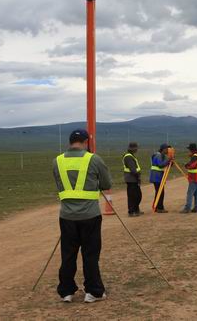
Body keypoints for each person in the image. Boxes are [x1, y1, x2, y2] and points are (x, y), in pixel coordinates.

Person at [52, 129, 112, 303]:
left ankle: (66, 292)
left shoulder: (57, 161)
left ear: (70, 142)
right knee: (90, 254)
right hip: (90, 215)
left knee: (68, 254)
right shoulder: (94, 159)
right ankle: (93, 291)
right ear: (86, 142)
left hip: (67, 216)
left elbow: (60, 184)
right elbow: (106, 183)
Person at [180, 143, 197, 213]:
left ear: (191, 150)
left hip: (194, 177)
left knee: (190, 193)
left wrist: (186, 165)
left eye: (189, 150)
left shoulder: (195, 156)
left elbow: (192, 165)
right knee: (196, 193)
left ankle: (187, 208)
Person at [123, 142, 143, 217]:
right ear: (133, 148)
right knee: (132, 196)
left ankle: (136, 209)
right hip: (131, 179)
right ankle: (131, 212)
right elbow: (133, 170)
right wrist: (138, 177)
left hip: (134, 179)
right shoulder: (128, 157)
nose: (137, 149)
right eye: (136, 148)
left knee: (138, 195)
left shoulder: (131, 156)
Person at [150, 143, 171, 213]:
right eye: (167, 149)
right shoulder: (158, 155)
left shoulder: (162, 155)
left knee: (159, 192)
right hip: (156, 177)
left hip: (158, 177)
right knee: (160, 192)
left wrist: (169, 161)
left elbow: (166, 164)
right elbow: (160, 165)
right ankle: (159, 208)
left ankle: (156, 206)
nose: (168, 150)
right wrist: (168, 159)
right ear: (163, 149)